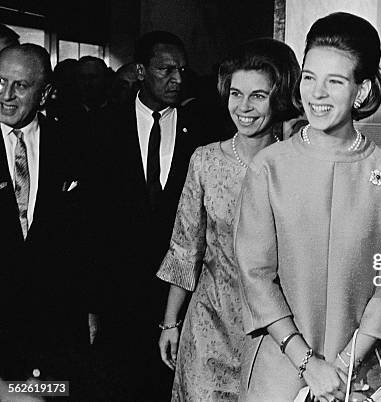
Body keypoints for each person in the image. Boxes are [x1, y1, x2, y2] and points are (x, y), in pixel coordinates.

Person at [234, 12, 381, 401]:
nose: (316, 93)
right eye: (309, 78)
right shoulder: (270, 166)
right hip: (281, 368)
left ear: (362, 91)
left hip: (361, 374)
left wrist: (344, 366)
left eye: (334, 82)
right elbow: (255, 275)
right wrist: (308, 364)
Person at [156, 37, 301, 401]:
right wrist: (170, 322)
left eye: (258, 96)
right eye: (236, 94)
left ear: (278, 98)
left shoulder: (294, 165)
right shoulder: (205, 161)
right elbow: (185, 248)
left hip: (274, 333)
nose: (244, 107)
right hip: (208, 326)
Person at [85, 31, 217, 401]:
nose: (177, 78)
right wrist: (92, 302)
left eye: (182, 69)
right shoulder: (103, 127)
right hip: (118, 294)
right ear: (141, 71)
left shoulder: (203, 130)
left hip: (178, 296)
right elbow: (89, 224)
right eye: (165, 69)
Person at [0, 44, 94, 399]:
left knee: (51, 396)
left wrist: (90, 307)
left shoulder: (73, 141)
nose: (6, 96)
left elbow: (87, 235)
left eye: (20, 86)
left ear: (46, 93)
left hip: (54, 328)